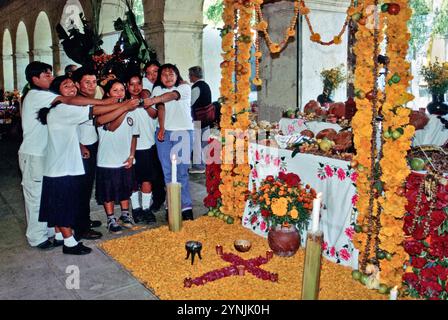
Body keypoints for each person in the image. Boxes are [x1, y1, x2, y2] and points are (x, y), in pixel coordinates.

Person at [18, 61, 115, 250]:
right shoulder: (37, 95)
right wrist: (104, 102)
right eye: (46, 75)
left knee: (50, 194)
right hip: (35, 153)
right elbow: (71, 102)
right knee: (36, 195)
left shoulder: (50, 97)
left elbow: (64, 125)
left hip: (50, 153)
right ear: (34, 79)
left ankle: (53, 231)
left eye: (50, 74)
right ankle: (37, 237)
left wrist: (79, 145)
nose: (51, 77)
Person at [37, 75, 138, 254]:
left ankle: (61, 237)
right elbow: (95, 111)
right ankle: (70, 243)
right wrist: (125, 105)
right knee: (63, 204)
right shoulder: (62, 109)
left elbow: (77, 128)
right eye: (66, 86)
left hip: (65, 163)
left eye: (72, 85)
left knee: (63, 202)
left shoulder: (65, 108)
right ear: (57, 93)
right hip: (62, 167)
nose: (71, 89)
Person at [95, 79, 140, 233]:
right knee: (108, 191)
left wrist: (131, 155)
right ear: (107, 93)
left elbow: (134, 135)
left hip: (125, 157)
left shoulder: (132, 112)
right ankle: (110, 218)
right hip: (107, 159)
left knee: (125, 188)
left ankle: (125, 215)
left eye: (122, 89)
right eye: (115, 90)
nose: (120, 92)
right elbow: (112, 127)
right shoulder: (102, 110)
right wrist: (125, 108)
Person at [152, 63, 194, 221]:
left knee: (182, 171)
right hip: (164, 134)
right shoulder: (157, 90)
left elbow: (171, 96)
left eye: (171, 74)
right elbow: (161, 107)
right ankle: (171, 205)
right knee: (168, 172)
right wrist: (162, 127)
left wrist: (151, 101)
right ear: (159, 77)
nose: (168, 77)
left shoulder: (184, 88)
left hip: (183, 132)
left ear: (177, 76)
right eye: (164, 74)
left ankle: (186, 206)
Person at [126, 74, 165, 224]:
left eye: (138, 84)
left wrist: (145, 103)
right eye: (132, 84)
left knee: (147, 180)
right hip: (130, 149)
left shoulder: (148, 101)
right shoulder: (125, 104)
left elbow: (155, 114)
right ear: (127, 86)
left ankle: (146, 208)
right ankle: (136, 209)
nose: (135, 87)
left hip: (147, 146)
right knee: (133, 182)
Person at [71, 67, 103, 240]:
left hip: (91, 145)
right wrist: (80, 145)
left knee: (87, 187)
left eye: (94, 82)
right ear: (77, 84)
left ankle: (85, 220)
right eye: (87, 82)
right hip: (82, 149)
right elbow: (69, 127)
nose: (92, 86)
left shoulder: (90, 99)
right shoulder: (77, 101)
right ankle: (81, 228)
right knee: (81, 189)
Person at [188, 66, 212, 174]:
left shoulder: (196, 87)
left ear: (193, 76)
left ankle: (199, 166)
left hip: (198, 119)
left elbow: (190, 103)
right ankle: (206, 164)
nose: (189, 77)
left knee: (197, 143)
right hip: (207, 118)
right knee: (204, 143)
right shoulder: (206, 86)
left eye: (190, 75)